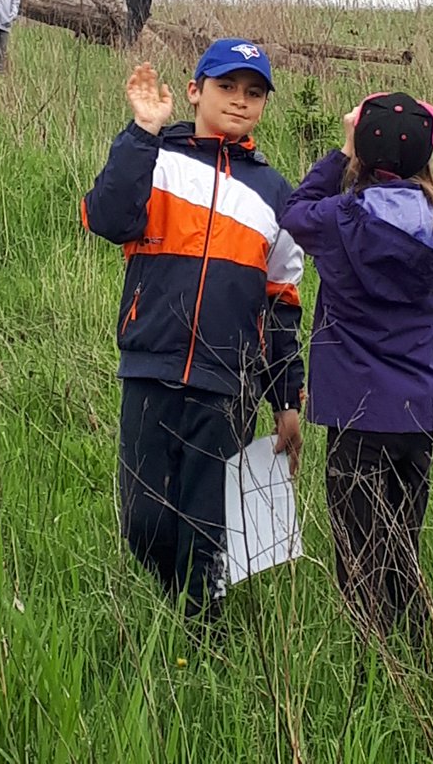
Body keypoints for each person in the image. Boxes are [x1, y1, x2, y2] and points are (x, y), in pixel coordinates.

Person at [81, 39, 305, 619]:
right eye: (227, 87)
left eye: (253, 93)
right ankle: (171, 609)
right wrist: (141, 133)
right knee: (143, 522)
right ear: (194, 91)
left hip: (229, 385)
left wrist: (287, 400)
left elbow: (282, 304)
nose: (239, 101)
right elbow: (106, 218)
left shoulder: (276, 194)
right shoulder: (155, 156)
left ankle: (204, 643)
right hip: (151, 367)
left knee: (209, 531)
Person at [279, 92, 433, 648]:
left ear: (362, 151)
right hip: (417, 414)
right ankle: (423, 654)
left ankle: (373, 667)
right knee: (403, 546)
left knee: (358, 556)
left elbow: (294, 211)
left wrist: (340, 153)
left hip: (356, 414)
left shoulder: (341, 219)